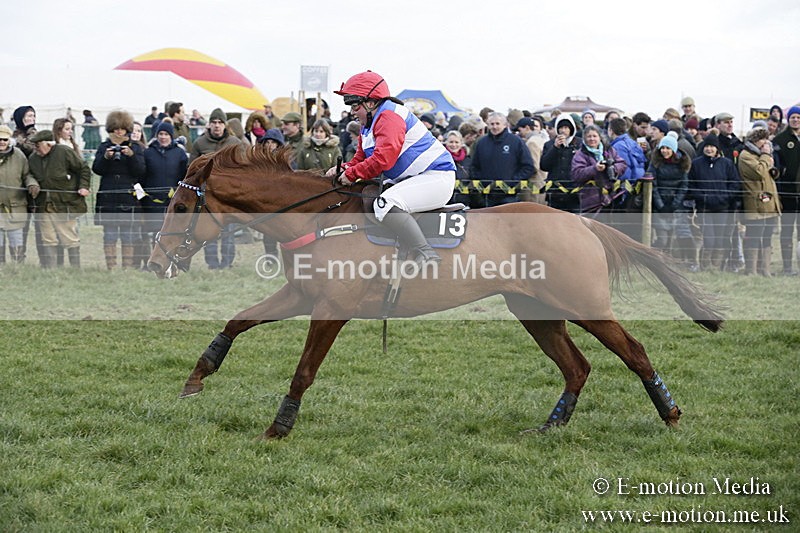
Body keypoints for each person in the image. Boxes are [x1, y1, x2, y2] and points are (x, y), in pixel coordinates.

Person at [326, 70, 456, 267]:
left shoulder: (389, 116)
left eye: (355, 105)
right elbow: (361, 158)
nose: (352, 111)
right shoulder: (368, 123)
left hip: (435, 177)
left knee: (384, 203)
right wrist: (342, 169)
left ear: (370, 103)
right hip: (413, 179)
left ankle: (426, 252)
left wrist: (351, 175)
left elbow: (382, 160)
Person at [27, 130, 91, 268]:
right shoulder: (33, 159)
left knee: (70, 238)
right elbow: (29, 174)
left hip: (65, 204)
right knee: (48, 239)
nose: (35, 148)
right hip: (43, 205)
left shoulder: (64, 151)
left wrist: (84, 186)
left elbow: (83, 169)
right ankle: (52, 271)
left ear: (48, 144)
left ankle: (75, 270)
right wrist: (32, 183)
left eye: (37, 145)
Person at [92, 111, 146, 269]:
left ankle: (127, 267)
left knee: (128, 235)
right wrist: (106, 158)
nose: (119, 132)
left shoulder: (135, 147)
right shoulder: (104, 146)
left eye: (122, 128)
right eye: (116, 128)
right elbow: (97, 169)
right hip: (108, 197)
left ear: (127, 129)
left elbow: (140, 170)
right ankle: (111, 267)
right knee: (109, 234)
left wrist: (131, 155)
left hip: (128, 197)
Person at [190, 108, 242, 269]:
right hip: (207, 196)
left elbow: (244, 168)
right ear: (209, 124)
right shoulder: (200, 143)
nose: (217, 126)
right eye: (214, 122)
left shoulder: (235, 143)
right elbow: (191, 169)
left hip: (228, 196)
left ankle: (227, 263)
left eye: (220, 122)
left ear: (225, 125)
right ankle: (212, 264)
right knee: (209, 232)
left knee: (228, 232)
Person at [687, 133, 739, 271]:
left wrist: (724, 197)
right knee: (708, 238)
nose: (709, 149)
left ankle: (717, 265)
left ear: (717, 148)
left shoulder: (726, 164)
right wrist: (702, 196)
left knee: (720, 238)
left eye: (712, 146)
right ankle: (705, 264)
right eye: (707, 146)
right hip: (704, 208)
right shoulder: (696, 164)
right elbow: (690, 186)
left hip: (722, 207)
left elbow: (735, 184)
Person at [738, 128, 781, 276]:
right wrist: (765, 156)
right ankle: (752, 270)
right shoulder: (746, 156)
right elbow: (759, 173)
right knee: (754, 235)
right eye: (763, 139)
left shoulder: (762, 156)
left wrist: (773, 166)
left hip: (769, 203)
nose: (766, 143)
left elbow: (770, 175)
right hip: (756, 205)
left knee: (767, 236)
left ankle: (765, 270)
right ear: (755, 141)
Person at [469, 112, 535, 207]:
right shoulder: (481, 143)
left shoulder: (516, 142)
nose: (495, 127)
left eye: (497, 124)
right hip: (487, 196)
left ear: (505, 125)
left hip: (509, 196)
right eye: (492, 124)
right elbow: (474, 167)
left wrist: (512, 182)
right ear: (488, 125)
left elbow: (528, 167)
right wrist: (482, 182)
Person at [648, 135, 692, 266]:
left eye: (667, 148)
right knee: (662, 238)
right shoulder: (655, 163)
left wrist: (674, 204)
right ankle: (653, 259)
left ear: (673, 149)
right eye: (662, 148)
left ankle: (666, 263)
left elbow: (684, 186)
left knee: (672, 239)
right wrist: (661, 205)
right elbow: (652, 185)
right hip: (659, 205)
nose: (664, 151)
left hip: (675, 206)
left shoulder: (682, 163)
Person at [142, 121, 188, 244]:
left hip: (173, 201)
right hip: (152, 201)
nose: (163, 137)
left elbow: (184, 176)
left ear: (171, 136)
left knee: (172, 233)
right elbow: (142, 175)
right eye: (160, 134)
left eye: (166, 134)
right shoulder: (148, 153)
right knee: (154, 234)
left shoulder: (180, 153)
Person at [0, 124, 39, 264]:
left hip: (15, 207)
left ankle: (18, 270)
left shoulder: (18, 155)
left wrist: (32, 184)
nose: (2, 142)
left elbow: (27, 174)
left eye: (5, 139)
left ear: (9, 140)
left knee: (16, 243)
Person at [570, 124, 627, 217]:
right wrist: (594, 168)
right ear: (584, 138)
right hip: (591, 198)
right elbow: (576, 174)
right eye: (589, 136)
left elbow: (622, 164)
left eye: (594, 136)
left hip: (612, 195)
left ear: (600, 137)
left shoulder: (609, 150)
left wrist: (613, 168)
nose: (592, 139)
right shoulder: (580, 154)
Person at [772, 105, 800, 275]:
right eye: (793, 117)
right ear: (788, 120)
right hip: (788, 194)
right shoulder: (780, 140)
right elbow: (777, 165)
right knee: (787, 231)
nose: (795, 120)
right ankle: (787, 267)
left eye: (798, 117)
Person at [607, 118, 646, 236]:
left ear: (611, 130)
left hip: (624, 191)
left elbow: (623, 170)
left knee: (623, 228)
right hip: (637, 188)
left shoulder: (617, 147)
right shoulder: (634, 143)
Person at [540, 114, 581, 213]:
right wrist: (555, 148)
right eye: (561, 127)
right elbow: (544, 166)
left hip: (574, 193)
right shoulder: (549, 144)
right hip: (555, 193)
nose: (563, 130)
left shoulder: (579, 144)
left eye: (566, 127)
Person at [516, 117, 547, 204]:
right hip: (541, 183)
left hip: (533, 186)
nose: (519, 133)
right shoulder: (540, 139)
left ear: (527, 128)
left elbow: (533, 166)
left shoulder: (531, 143)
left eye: (520, 130)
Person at [443, 130, 472, 206]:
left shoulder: (468, 160)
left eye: (456, 142)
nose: (454, 145)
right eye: (451, 142)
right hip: (445, 202)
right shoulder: (441, 159)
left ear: (461, 144)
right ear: (446, 143)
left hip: (464, 202)